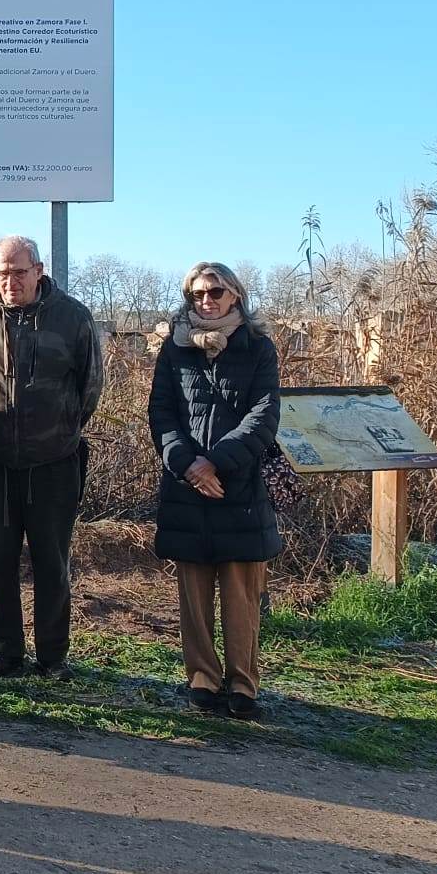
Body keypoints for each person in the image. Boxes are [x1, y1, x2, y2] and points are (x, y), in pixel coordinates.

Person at [0, 235, 102, 680]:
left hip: (54, 460)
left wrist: (58, 429)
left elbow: (91, 386)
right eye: (2, 272)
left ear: (38, 270)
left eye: (19, 272)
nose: (10, 281)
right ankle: (7, 653)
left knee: (51, 560)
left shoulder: (72, 316)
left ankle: (53, 657)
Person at [148, 262, 282, 720]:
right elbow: (162, 414)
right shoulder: (174, 349)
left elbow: (264, 414)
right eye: (198, 293)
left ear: (235, 296)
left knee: (242, 594)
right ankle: (202, 678)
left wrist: (217, 462)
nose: (207, 301)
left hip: (237, 484)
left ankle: (243, 683)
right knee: (194, 593)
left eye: (216, 292)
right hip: (188, 486)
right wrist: (188, 465)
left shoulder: (258, 347)